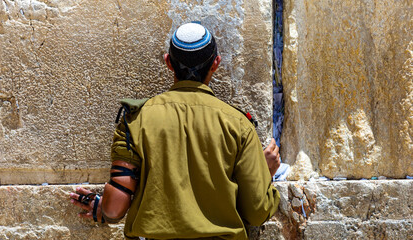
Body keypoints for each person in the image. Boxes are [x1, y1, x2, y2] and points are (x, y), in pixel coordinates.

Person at [69, 22, 281, 239]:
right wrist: (263, 174)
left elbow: (114, 209)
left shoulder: (136, 119)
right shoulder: (238, 125)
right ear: (215, 63)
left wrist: (103, 207)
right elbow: (257, 212)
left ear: (168, 62)